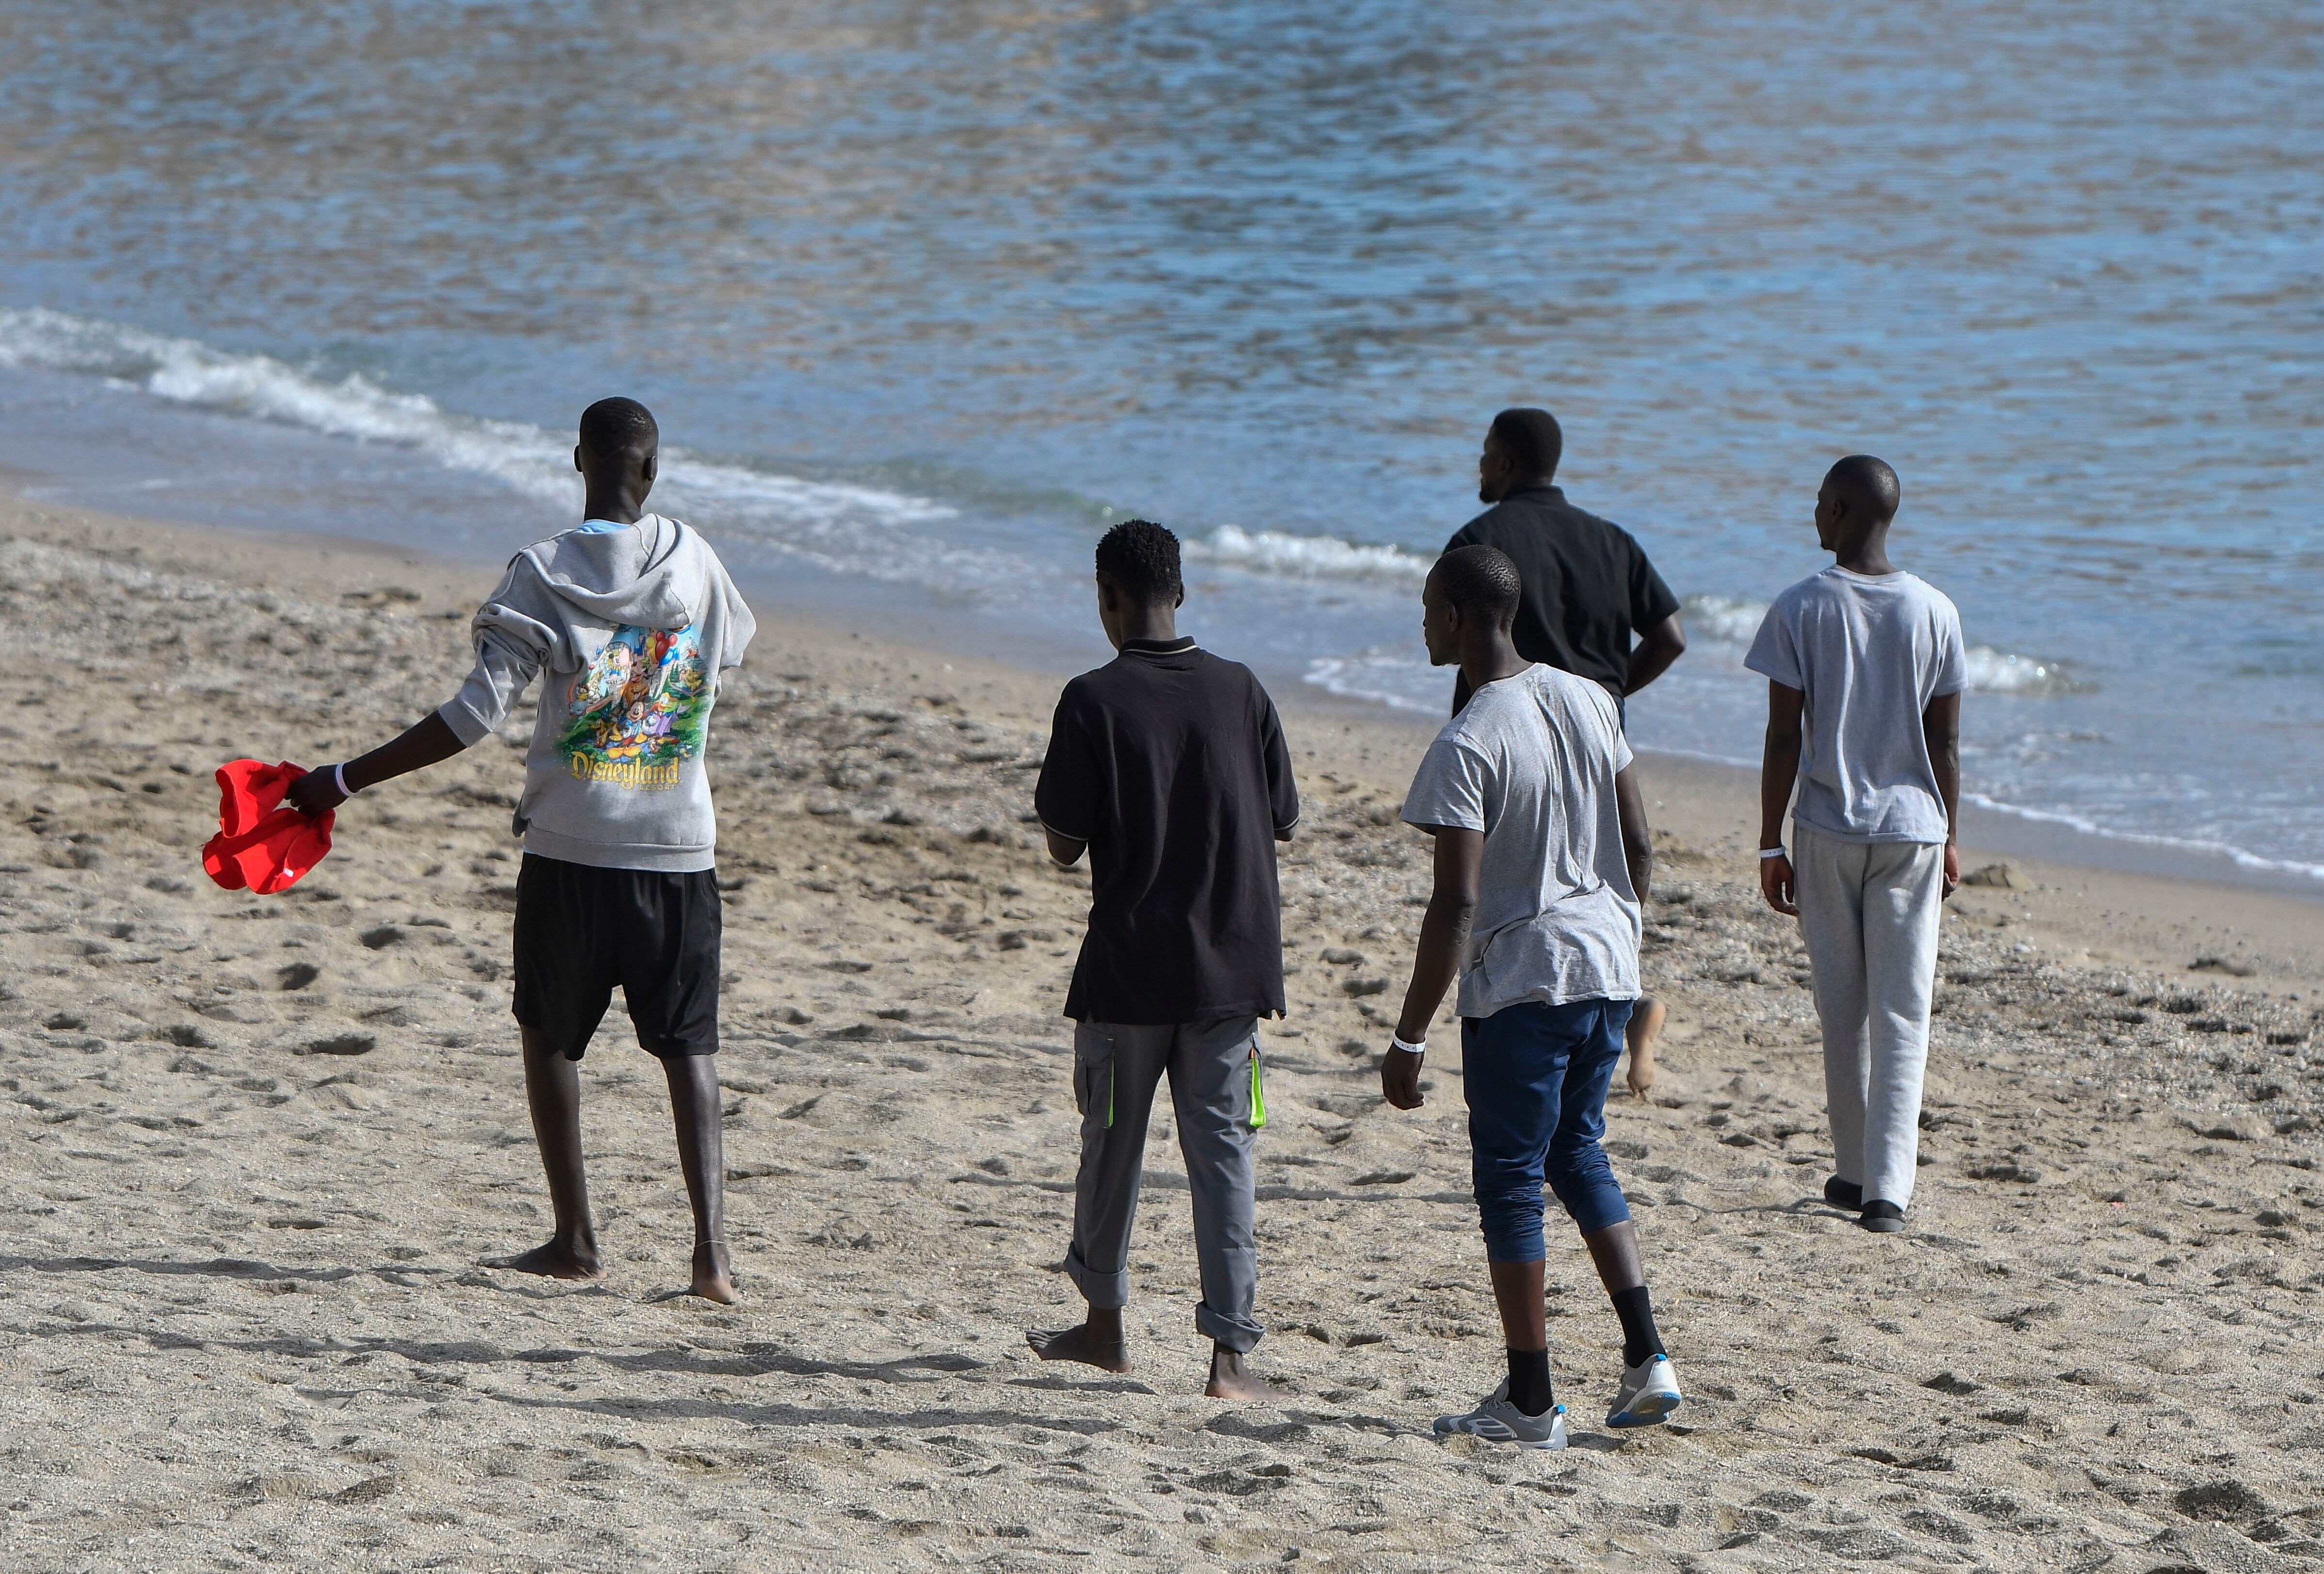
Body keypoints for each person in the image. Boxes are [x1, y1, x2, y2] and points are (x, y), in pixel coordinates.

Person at [286, 397, 755, 1301]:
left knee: (549, 1038)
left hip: (572, 849)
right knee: (690, 1046)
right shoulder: (697, 561)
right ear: (652, 471)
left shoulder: (540, 572)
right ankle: (713, 1259)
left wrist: (341, 779)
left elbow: (471, 718)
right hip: (680, 849)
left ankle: (575, 1238)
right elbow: (726, 652)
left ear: (577, 461)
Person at [1384, 544, 1681, 1450]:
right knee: (1577, 1153)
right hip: (1608, 966)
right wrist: (1616, 930)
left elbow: (1459, 901)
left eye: (1430, 606)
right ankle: (1646, 1359)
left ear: (1463, 618)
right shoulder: (1591, 695)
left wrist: (1408, 1035)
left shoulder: (1469, 737)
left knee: (1510, 1182)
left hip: (1526, 979)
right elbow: (1636, 838)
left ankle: (1529, 1401)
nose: (1423, 621)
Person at [1026, 519, 1301, 1400]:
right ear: (1179, 592)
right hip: (1230, 968)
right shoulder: (1242, 689)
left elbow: (1064, 845)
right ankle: (1229, 1357)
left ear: (1107, 597)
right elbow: (1283, 818)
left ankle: (1105, 1324)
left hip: (1129, 968)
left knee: (1110, 1147)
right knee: (1223, 1157)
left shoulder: (1092, 699)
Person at [1748, 455, 1963, 1235]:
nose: (1812, 513)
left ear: (1838, 512)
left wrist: (1770, 841)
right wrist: (1950, 837)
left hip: (1826, 826)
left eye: (1817, 503)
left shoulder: (1801, 605)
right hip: (1911, 828)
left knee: (1841, 1005)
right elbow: (1945, 742)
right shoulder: (1934, 609)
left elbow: (1781, 735)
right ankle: (1881, 1187)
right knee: (1902, 1010)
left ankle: (1856, 1167)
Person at [1444, 407, 1685, 1099]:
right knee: (1597, 882)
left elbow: (1455, 633)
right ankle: (1622, 999)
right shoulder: (1611, 540)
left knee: (1505, 893)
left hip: (1506, 746)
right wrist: (1609, 700)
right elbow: (1669, 636)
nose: (1480, 466)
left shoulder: (1480, 542)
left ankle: (1524, 1020)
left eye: (1487, 454)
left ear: (1510, 463)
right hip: (1596, 748)